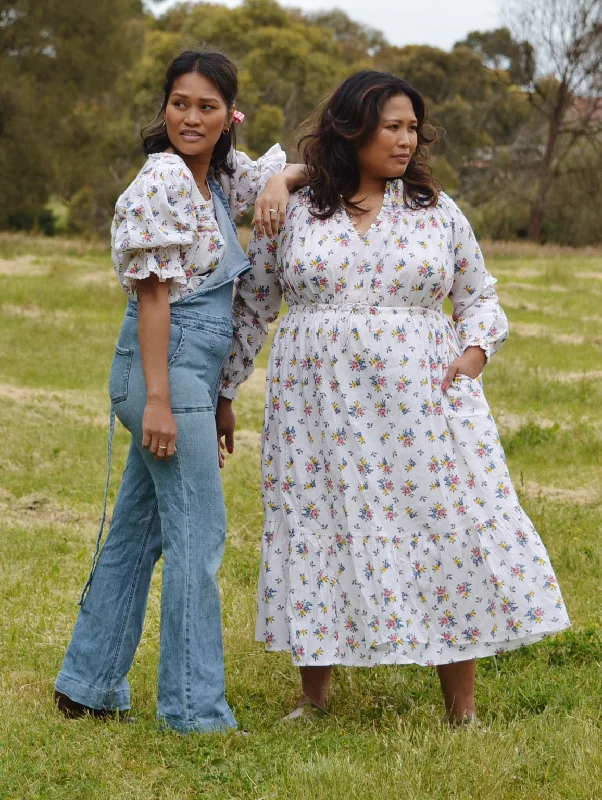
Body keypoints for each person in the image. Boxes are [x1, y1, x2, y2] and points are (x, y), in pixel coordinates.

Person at [219, 70, 571, 724]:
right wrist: (223, 392)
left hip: (422, 407)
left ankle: (460, 708)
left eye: (413, 127)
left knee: (444, 530)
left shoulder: (437, 209)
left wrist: (472, 355)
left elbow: (480, 296)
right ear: (354, 130)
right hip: (315, 409)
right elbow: (254, 306)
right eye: (393, 126)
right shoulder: (295, 209)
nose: (406, 140)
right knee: (315, 525)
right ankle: (315, 697)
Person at [54, 48, 304, 733]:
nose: (190, 117)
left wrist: (283, 177)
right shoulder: (164, 178)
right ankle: (194, 711)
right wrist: (162, 401)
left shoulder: (218, 181)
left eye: (207, 107)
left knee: (138, 533)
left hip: (190, 375)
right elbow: (156, 297)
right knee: (198, 538)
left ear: (230, 117)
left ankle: (87, 684)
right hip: (159, 368)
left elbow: (291, 176)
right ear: (164, 108)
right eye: (180, 103)